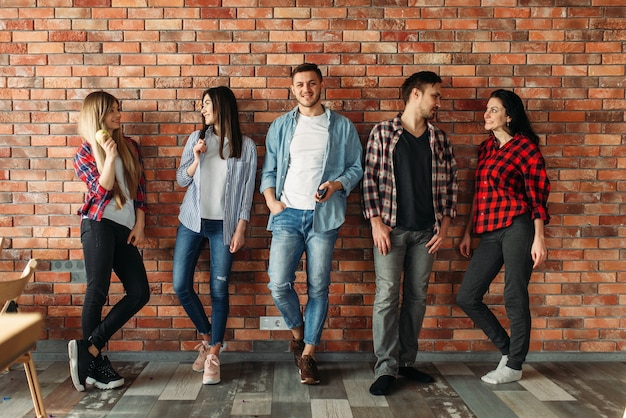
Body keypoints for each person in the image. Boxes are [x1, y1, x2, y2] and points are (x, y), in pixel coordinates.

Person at [260, 63, 363, 385]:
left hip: (324, 218)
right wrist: (272, 202)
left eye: (312, 84)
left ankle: (308, 355)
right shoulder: (280, 126)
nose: (307, 89)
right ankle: (298, 333)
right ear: (293, 89)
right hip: (287, 214)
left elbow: (356, 168)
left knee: (318, 287)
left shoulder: (342, 126)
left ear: (321, 86)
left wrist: (335, 185)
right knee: (278, 283)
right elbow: (268, 170)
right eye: (300, 85)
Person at [362, 71, 458, 396]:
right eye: (436, 95)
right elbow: (369, 179)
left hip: (426, 234)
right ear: (415, 94)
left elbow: (450, 186)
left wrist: (444, 229)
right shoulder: (383, 133)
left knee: (416, 299)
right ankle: (385, 368)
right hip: (391, 229)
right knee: (387, 297)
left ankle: (406, 362)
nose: (438, 102)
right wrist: (376, 222)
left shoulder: (439, 139)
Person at [457, 89, 550, 385]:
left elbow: (537, 197)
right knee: (468, 296)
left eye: (494, 110)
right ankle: (510, 351)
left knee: (514, 294)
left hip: (517, 227)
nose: (487, 114)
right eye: (487, 109)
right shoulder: (486, 149)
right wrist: (468, 232)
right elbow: (478, 195)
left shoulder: (526, 149)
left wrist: (539, 238)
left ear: (509, 116)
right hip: (490, 232)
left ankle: (514, 365)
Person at [173, 86, 257, 385]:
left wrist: (241, 228)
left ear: (222, 106)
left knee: (219, 291)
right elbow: (181, 179)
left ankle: (214, 354)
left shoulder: (245, 146)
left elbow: (247, 193)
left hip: (224, 226)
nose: (203, 108)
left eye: (208, 103)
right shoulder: (196, 140)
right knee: (180, 284)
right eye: (202, 104)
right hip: (192, 221)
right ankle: (208, 338)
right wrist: (196, 158)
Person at [69, 91, 151, 392]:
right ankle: (95, 363)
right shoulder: (85, 152)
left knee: (140, 292)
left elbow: (139, 189)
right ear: (97, 116)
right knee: (97, 289)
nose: (118, 115)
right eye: (112, 111)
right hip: (98, 224)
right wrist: (110, 155)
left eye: (119, 109)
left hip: (125, 228)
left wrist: (140, 223)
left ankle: (88, 350)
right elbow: (100, 191)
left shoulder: (131, 146)